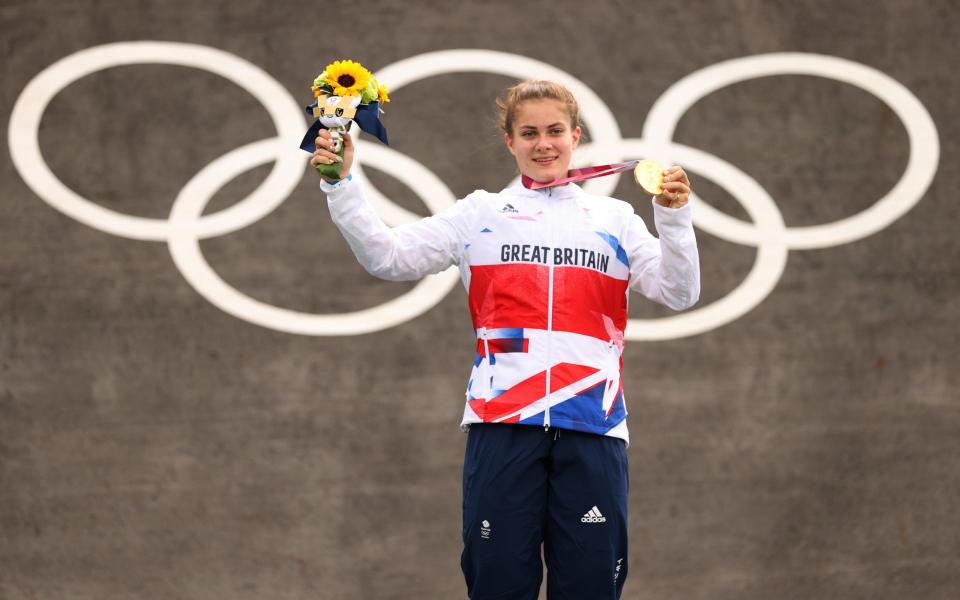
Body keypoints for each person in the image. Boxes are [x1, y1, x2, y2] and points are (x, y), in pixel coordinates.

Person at [311, 80, 700, 600]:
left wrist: (673, 219)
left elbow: (680, 291)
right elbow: (387, 256)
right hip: (502, 423)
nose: (545, 144)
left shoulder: (616, 220)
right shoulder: (481, 214)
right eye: (530, 132)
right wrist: (341, 185)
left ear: (576, 135)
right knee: (497, 587)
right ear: (509, 141)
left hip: (594, 423)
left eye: (556, 131)